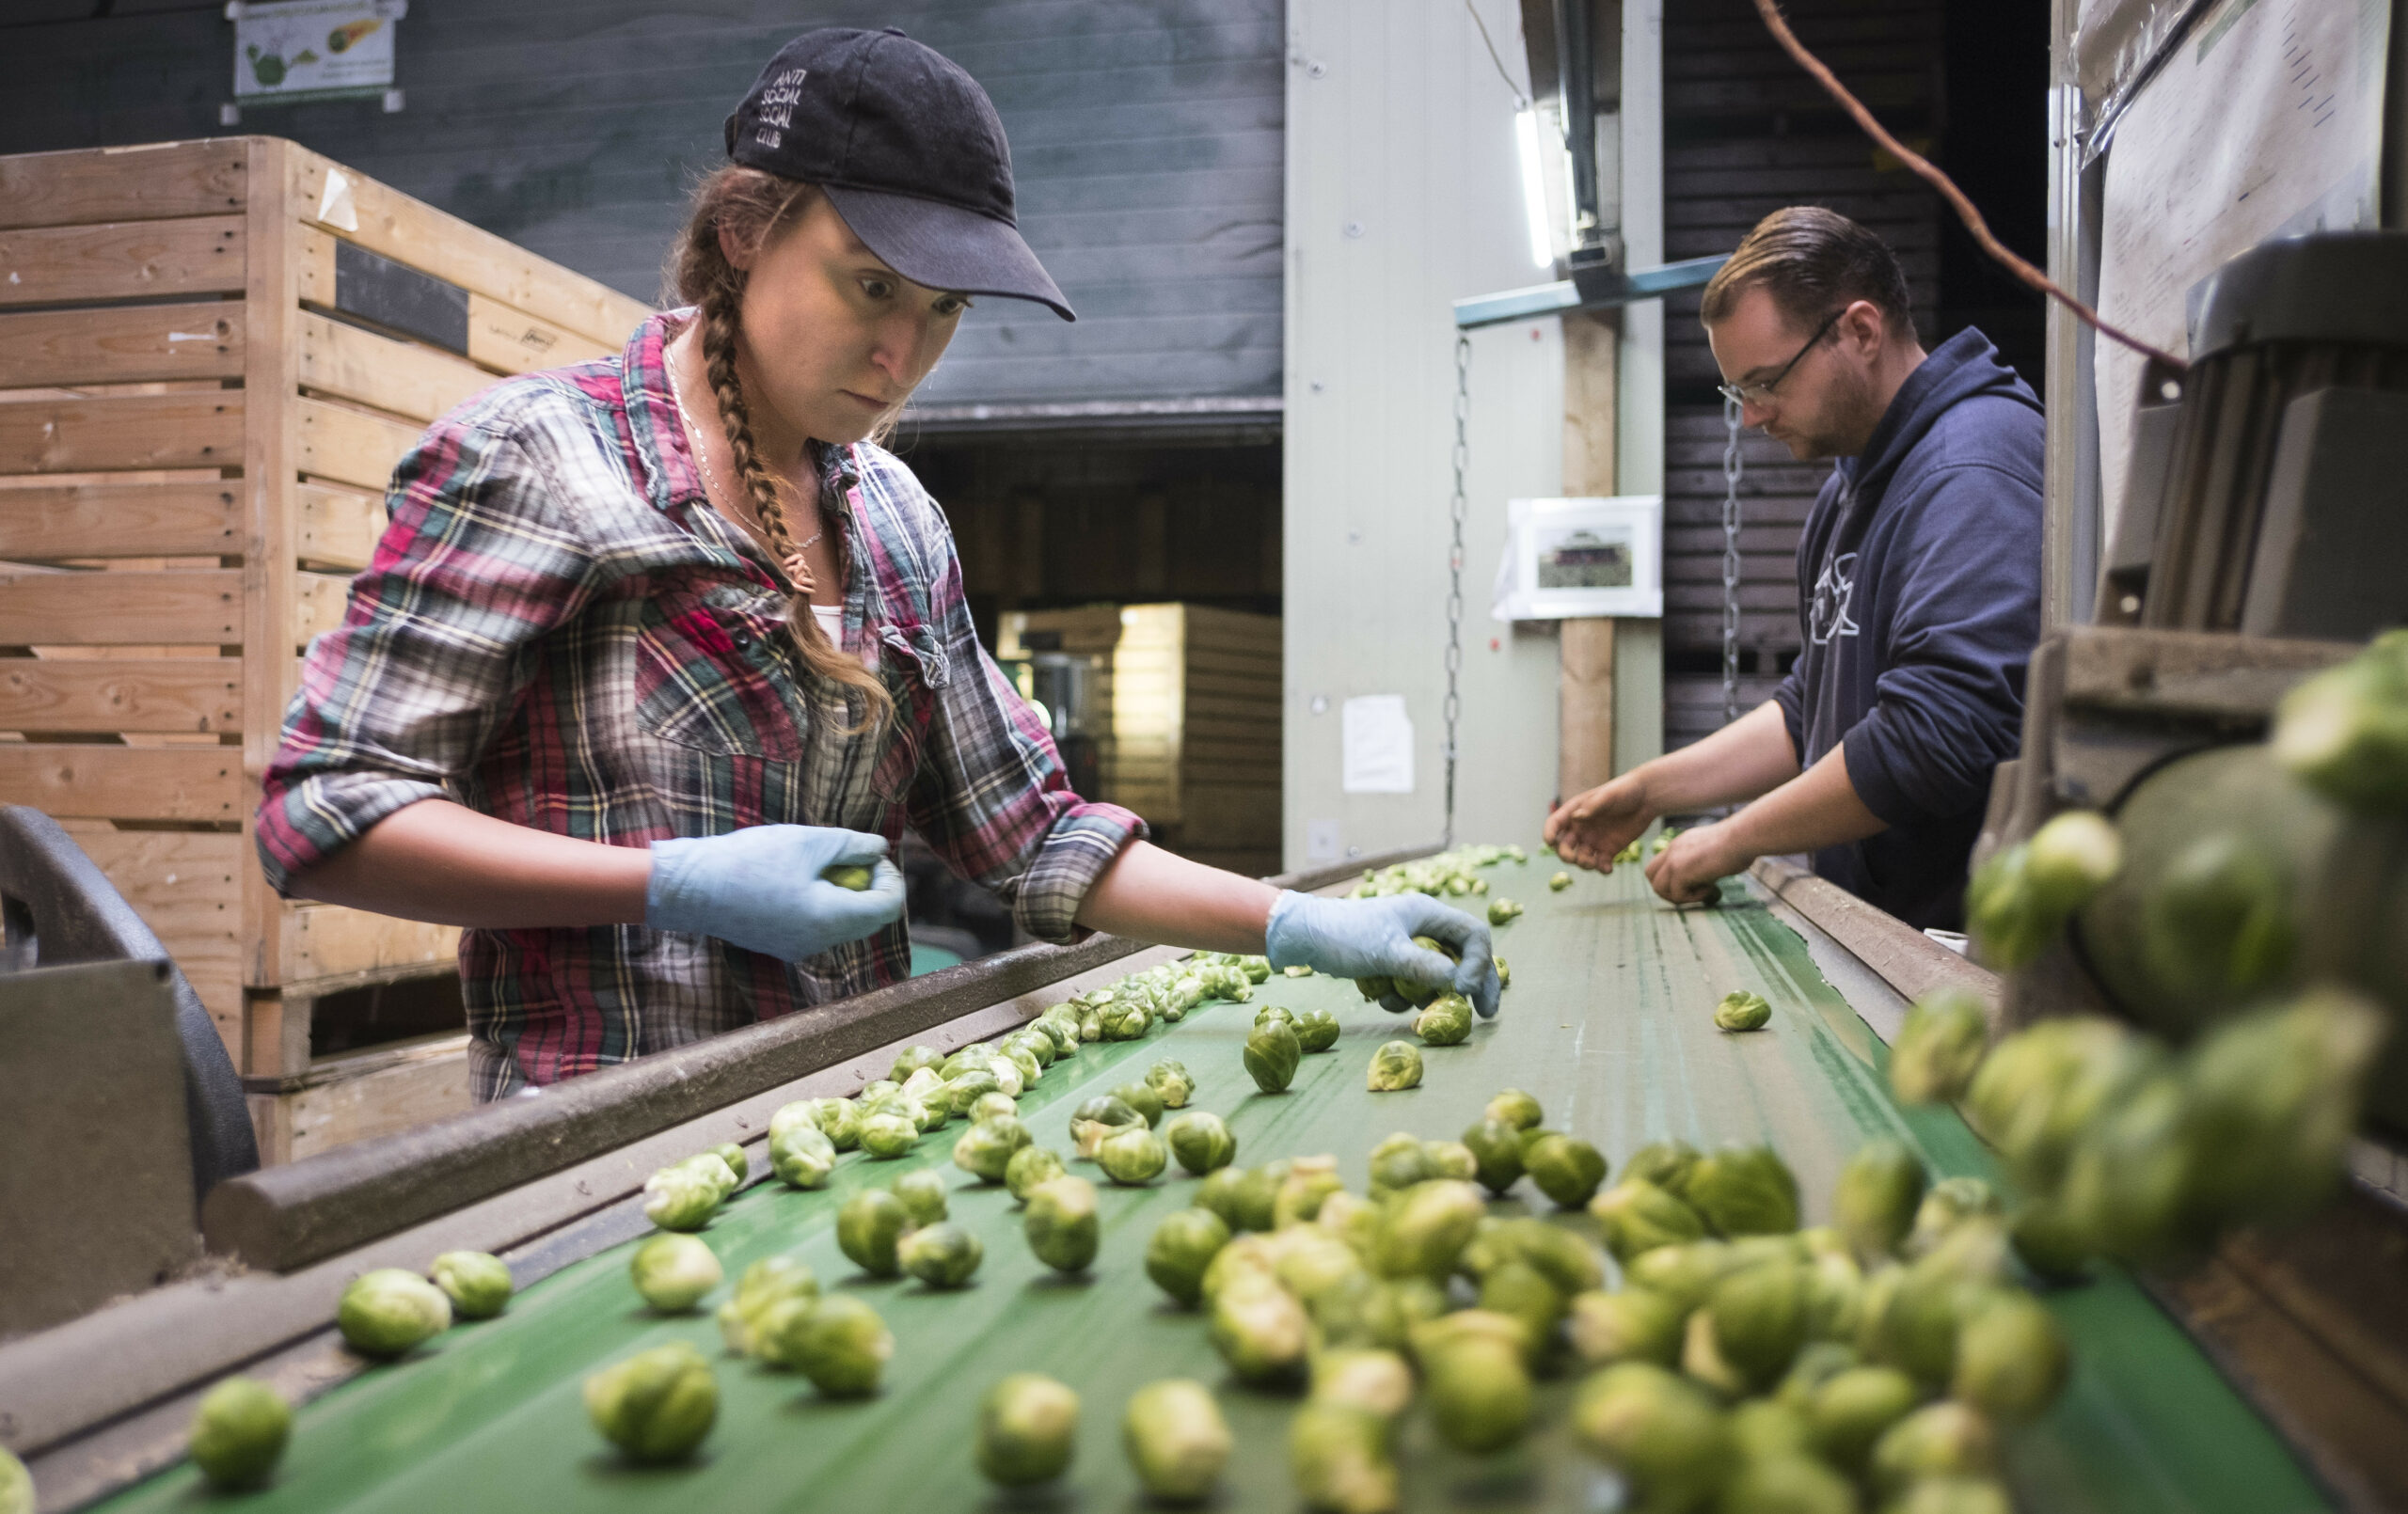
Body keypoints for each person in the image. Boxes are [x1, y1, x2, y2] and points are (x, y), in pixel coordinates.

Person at [256, 27, 1497, 1098]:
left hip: (851, 1113)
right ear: (746, 231)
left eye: (945, 311)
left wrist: (1295, 923)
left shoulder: (897, 517)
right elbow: (322, 812)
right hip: (600, 1147)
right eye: (871, 286)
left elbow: (1033, 834)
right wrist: (667, 883)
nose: (902, 353)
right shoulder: (539, 459)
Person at [1545, 206, 2042, 930]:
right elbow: (1812, 708)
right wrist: (1654, 791)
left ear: (1861, 331)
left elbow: (1937, 732)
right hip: (1876, 930)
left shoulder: (1972, 468)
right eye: (1739, 392)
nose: (1752, 417)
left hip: (1959, 951)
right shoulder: (1850, 489)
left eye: (1766, 381)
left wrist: (1734, 838)